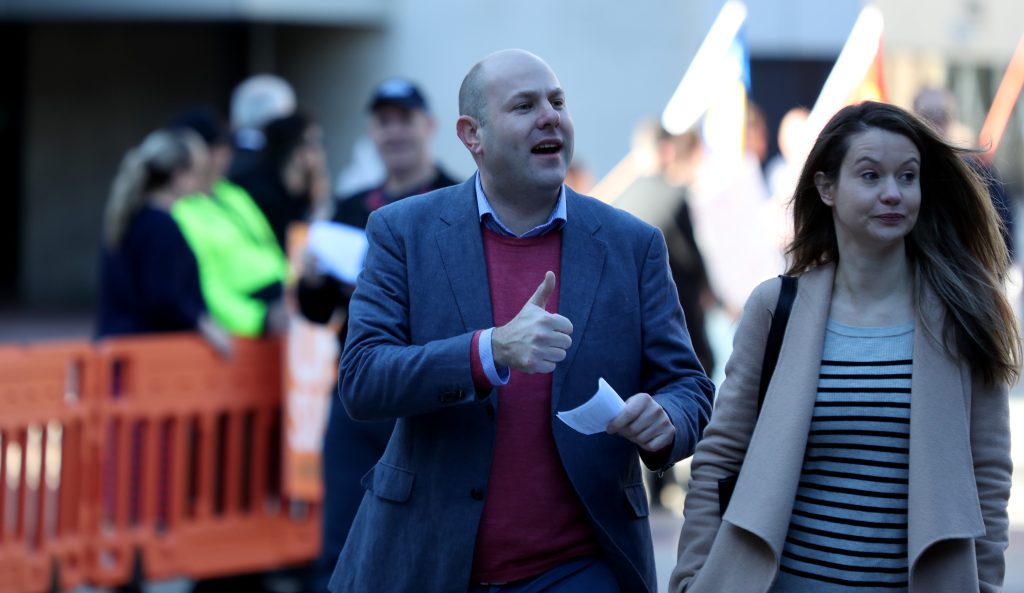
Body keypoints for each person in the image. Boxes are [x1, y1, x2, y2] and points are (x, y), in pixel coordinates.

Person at [327, 49, 714, 593]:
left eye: (557, 101)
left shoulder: (632, 244)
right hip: (428, 560)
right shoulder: (403, 232)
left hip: (581, 564)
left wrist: (668, 418)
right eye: (524, 105)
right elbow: (363, 379)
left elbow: (690, 385)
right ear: (472, 135)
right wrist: (489, 351)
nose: (550, 116)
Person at [671, 101, 1018, 593]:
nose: (893, 193)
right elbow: (720, 456)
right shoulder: (776, 308)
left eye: (908, 176)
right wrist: (691, 577)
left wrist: (981, 585)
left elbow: (988, 476)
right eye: (871, 175)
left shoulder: (962, 313)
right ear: (826, 187)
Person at [299, 77, 458, 593]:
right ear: (372, 130)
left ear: (429, 126)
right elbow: (316, 310)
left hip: (427, 395)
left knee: (429, 538)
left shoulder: (460, 199)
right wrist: (311, 280)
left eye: (404, 120)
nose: (394, 132)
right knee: (343, 537)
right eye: (384, 121)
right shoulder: (349, 208)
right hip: (358, 393)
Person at [97, 128, 231, 356]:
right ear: (178, 176)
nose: (202, 180)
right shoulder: (161, 227)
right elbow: (164, 297)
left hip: (121, 347)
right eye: (197, 172)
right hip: (144, 354)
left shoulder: (132, 219)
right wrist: (202, 324)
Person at [170, 106, 291, 338]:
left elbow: (271, 251)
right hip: (250, 330)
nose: (227, 154)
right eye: (218, 147)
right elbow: (207, 288)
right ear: (193, 154)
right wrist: (261, 319)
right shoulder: (180, 211)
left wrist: (296, 297)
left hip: (280, 314)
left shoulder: (233, 194)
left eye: (226, 146)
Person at [231, 111, 330, 252]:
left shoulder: (304, 194)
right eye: (315, 143)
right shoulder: (258, 195)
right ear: (297, 152)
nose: (321, 151)